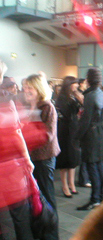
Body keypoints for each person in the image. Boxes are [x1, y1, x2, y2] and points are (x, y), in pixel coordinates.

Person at [0, 61, 35, 240]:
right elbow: (16, 132)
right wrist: (27, 158)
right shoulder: (5, 100)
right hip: (9, 161)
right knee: (20, 213)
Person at [24, 74, 60, 239]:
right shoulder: (32, 106)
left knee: (47, 196)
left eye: (30, 87)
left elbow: (48, 135)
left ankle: (52, 234)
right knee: (39, 196)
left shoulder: (46, 107)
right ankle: (43, 230)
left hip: (44, 158)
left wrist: (23, 135)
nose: (26, 90)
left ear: (39, 89)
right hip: (34, 157)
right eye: (25, 87)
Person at [75, 68, 103, 211]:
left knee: (92, 166)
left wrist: (76, 137)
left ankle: (95, 199)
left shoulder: (90, 96)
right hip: (101, 132)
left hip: (91, 134)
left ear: (88, 80)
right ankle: (101, 196)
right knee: (99, 165)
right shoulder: (101, 94)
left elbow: (86, 120)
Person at [55, 76, 83, 198]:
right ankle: (65, 186)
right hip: (65, 130)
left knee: (73, 158)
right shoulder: (62, 98)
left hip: (74, 128)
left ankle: (72, 184)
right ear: (69, 84)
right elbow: (67, 113)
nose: (77, 86)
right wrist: (76, 102)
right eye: (74, 83)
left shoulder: (73, 96)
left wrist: (79, 100)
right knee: (65, 159)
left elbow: (81, 109)